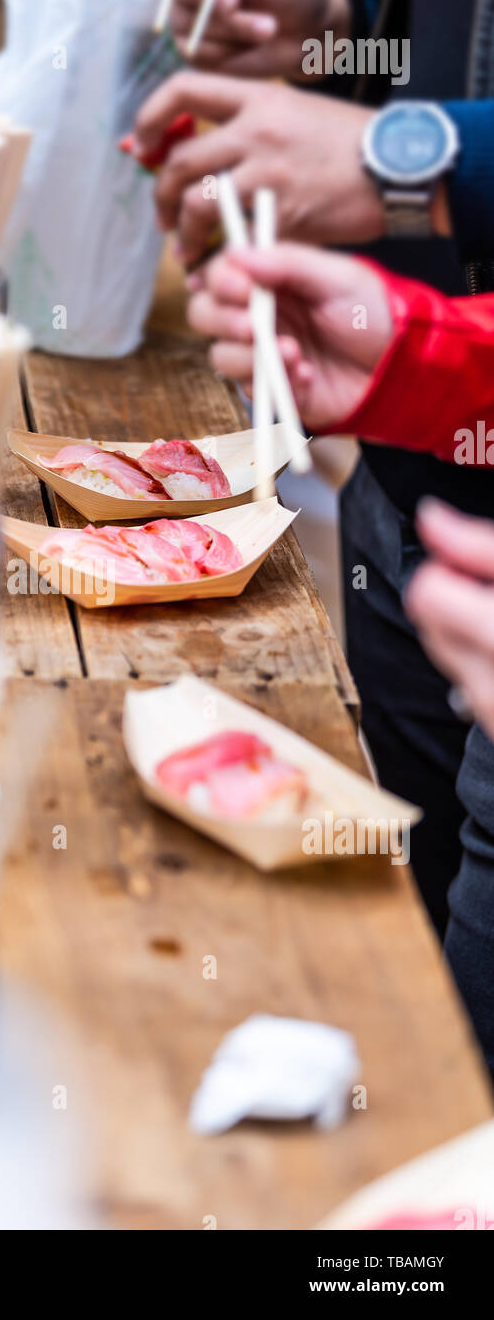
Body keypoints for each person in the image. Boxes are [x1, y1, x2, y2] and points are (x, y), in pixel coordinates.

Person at [136, 0, 494, 942]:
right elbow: (454, 10)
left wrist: (411, 163)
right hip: (413, 454)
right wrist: (337, 25)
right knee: (409, 948)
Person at [189, 240, 494, 1071]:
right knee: (409, 922)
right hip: (399, 484)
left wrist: (399, 162)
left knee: (460, 1072)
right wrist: (414, 363)